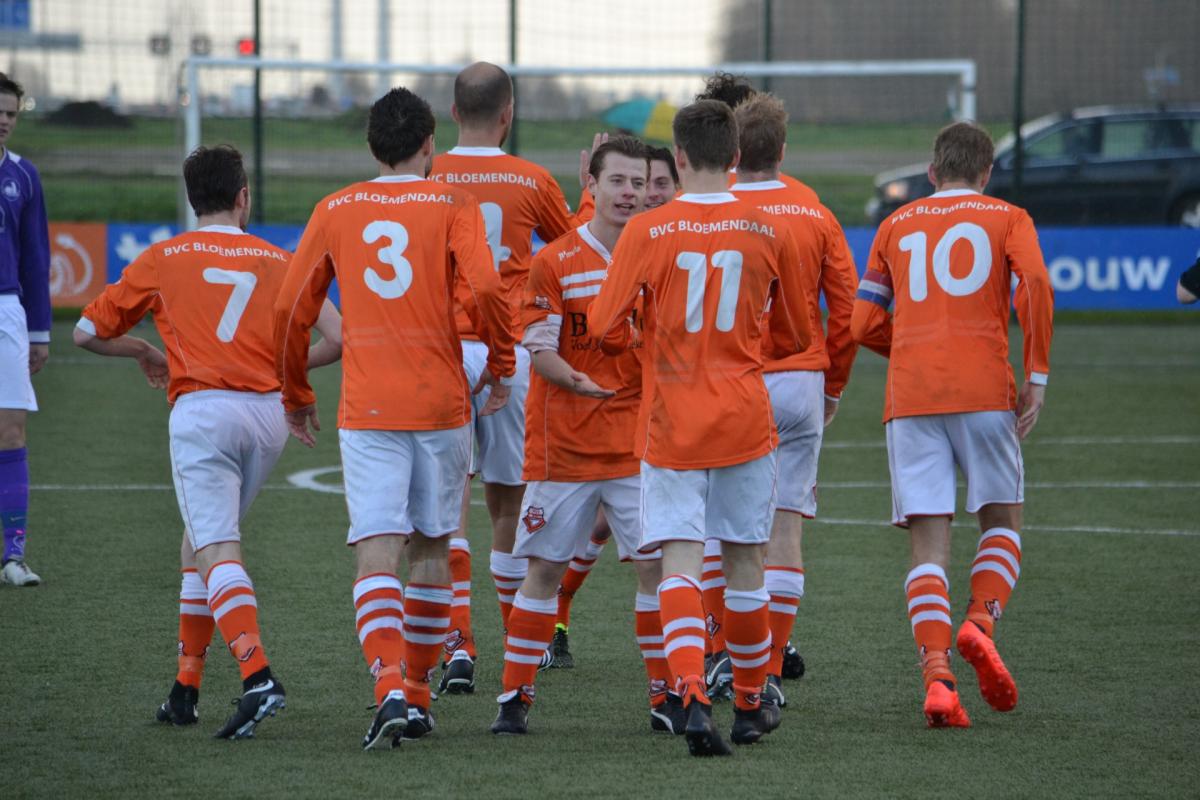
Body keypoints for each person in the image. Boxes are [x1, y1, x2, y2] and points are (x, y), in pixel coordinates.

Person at [274, 87, 517, 749]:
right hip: (439, 401)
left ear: (372, 146)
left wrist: (296, 390)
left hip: (369, 403)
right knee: (434, 547)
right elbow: (491, 289)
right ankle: (415, 691)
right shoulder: (452, 203)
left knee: (377, 546)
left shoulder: (336, 208)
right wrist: (500, 364)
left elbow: (291, 309)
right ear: (430, 143)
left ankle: (387, 686)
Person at [587, 100, 813, 756]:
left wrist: (646, 336)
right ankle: (747, 704)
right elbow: (799, 333)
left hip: (672, 418)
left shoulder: (648, 231)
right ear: (736, 155)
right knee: (745, 560)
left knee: (680, 559)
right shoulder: (771, 229)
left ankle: (689, 694)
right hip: (744, 415)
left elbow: (602, 329)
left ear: (678, 159)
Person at [74, 145, 301, 739]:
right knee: (197, 540)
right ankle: (186, 688)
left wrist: (143, 350)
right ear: (243, 196)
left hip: (203, 412)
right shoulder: (276, 257)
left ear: (191, 198)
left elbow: (84, 332)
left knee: (216, 545)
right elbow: (335, 334)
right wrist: (287, 373)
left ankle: (257, 676)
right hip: (268, 416)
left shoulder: (165, 257)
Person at [850, 121, 1054, 728]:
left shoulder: (895, 224)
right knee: (1002, 517)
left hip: (911, 397)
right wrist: (1036, 372)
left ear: (932, 172)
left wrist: (911, 347)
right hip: (985, 390)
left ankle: (938, 678)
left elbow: (862, 323)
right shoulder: (1007, 217)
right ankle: (981, 620)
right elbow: (1036, 284)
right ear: (986, 173)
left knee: (927, 545)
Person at [490, 136, 682, 736]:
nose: (630, 193)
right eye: (618, 181)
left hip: (637, 447)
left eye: (640, 182)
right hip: (564, 446)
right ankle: (515, 699)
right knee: (544, 571)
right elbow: (539, 348)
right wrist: (576, 380)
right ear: (591, 186)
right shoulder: (557, 261)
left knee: (654, 570)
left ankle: (663, 697)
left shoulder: (664, 254)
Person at [426, 61, 575, 695]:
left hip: (438, 352)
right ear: (508, 114)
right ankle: (521, 638)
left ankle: (459, 642)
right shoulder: (532, 179)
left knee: (446, 507)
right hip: (508, 350)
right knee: (508, 498)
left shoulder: (425, 176)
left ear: (452, 114)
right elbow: (573, 251)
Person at [730, 92, 882, 708]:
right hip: (799, 382)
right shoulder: (814, 212)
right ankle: (766, 672)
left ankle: (722, 657)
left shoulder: (708, 210)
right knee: (786, 526)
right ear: (783, 150)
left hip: (730, 381)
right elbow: (848, 313)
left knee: (725, 531)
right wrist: (834, 385)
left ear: (733, 151)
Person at [548, 142, 681, 669]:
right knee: (614, 530)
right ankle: (557, 617)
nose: (645, 194)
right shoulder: (601, 240)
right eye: (633, 183)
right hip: (608, 418)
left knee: (683, 538)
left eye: (657, 184)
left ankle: (705, 654)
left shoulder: (681, 240)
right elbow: (583, 243)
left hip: (672, 410)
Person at [0, 73, 49, 587]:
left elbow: (36, 257)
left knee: (11, 428)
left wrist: (39, 332)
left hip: (6, 313)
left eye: (11, 113)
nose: (4, 121)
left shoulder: (25, 177)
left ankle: (14, 557)